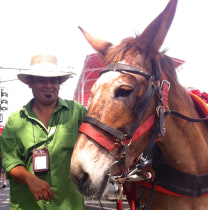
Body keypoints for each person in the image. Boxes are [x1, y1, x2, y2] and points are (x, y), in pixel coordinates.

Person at [0, 55, 87, 210]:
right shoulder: (15, 120)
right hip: (27, 205)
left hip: (68, 205)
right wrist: (29, 179)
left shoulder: (77, 112)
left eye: (54, 80)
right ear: (30, 83)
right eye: (41, 80)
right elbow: (9, 161)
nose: (49, 85)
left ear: (59, 83)